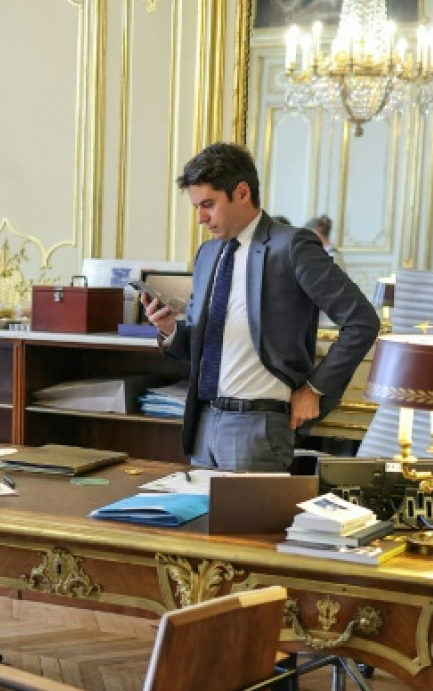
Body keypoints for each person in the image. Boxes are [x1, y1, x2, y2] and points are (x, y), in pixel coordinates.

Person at [145, 143, 379, 474]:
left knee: (249, 527)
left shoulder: (292, 246)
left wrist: (315, 389)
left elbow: (362, 321)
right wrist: (169, 329)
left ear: (241, 192)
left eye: (208, 205)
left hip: (257, 428)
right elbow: (202, 348)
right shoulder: (208, 254)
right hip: (203, 424)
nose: (201, 218)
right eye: (197, 207)